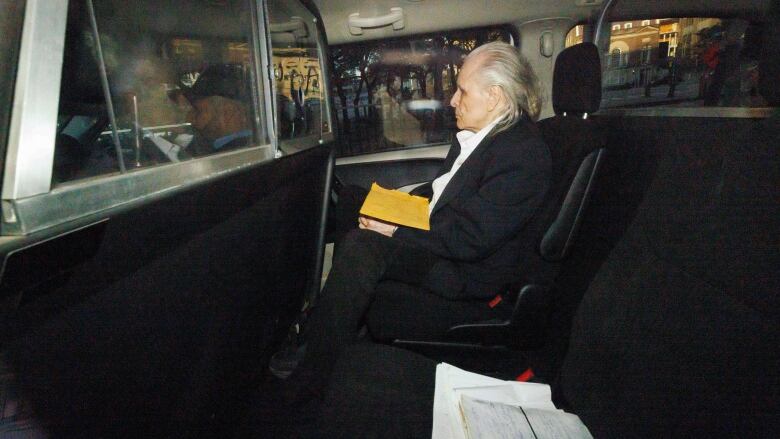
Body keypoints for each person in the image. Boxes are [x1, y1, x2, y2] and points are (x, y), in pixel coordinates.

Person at [271, 41, 551, 385]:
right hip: (444, 239)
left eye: (462, 91)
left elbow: (470, 239)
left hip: (465, 273)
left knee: (364, 245)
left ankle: (314, 368)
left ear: (494, 97)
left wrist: (394, 230)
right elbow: (442, 195)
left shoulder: (522, 155)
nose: (452, 100)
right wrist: (397, 204)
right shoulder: (481, 137)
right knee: (352, 202)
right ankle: (322, 320)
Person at [168, 64, 254, 158]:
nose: (189, 120)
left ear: (228, 111)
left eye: (197, 112)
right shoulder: (251, 144)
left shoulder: (232, 157)